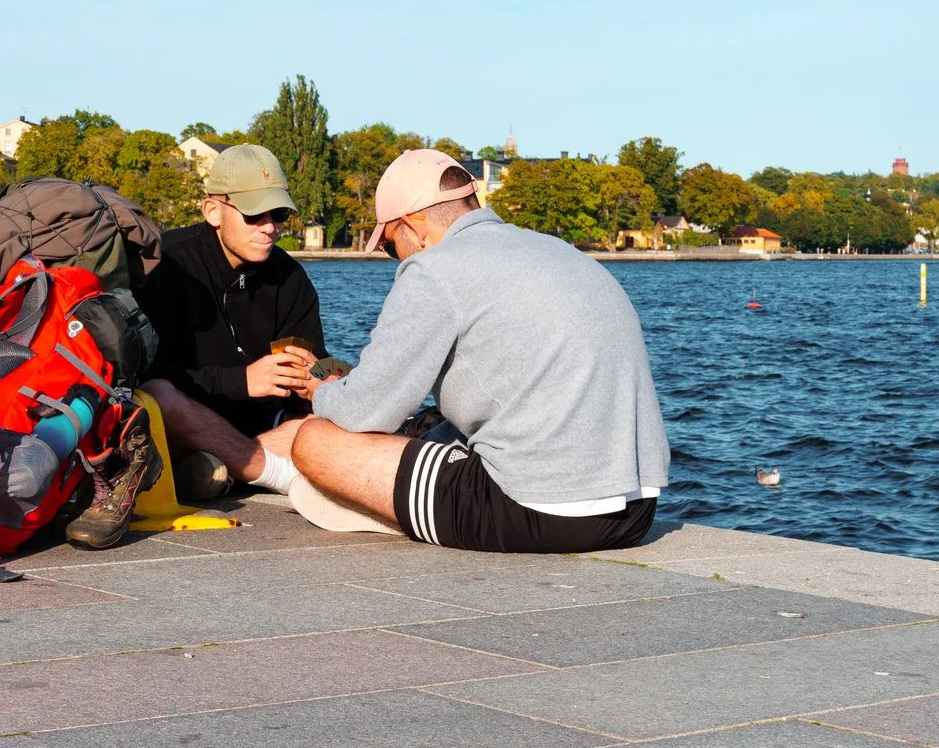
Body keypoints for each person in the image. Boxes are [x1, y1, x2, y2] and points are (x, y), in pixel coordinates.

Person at [275, 148, 668, 552]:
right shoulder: (560, 252)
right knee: (425, 423)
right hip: (635, 512)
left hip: (539, 510)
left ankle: (373, 505)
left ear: (416, 226)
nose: (394, 259)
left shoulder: (434, 269)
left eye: (391, 246)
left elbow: (365, 413)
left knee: (315, 440)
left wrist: (318, 390)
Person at [136, 143, 329, 501]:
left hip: (259, 428)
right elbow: (138, 374)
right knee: (159, 396)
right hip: (179, 422)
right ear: (213, 210)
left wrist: (321, 379)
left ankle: (222, 469)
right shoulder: (164, 265)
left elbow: (314, 364)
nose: (270, 228)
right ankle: (275, 473)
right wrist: (241, 381)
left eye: (279, 214)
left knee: (330, 419)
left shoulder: (290, 277)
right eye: (255, 214)